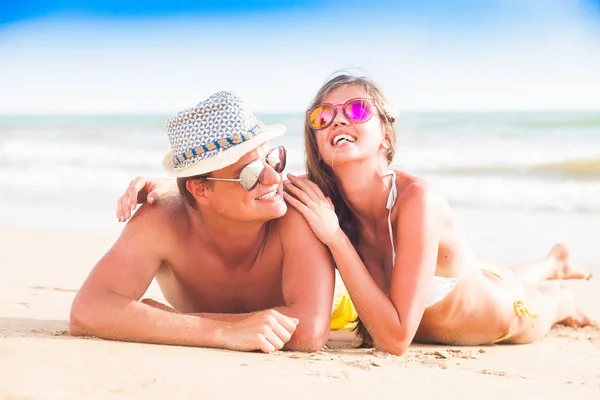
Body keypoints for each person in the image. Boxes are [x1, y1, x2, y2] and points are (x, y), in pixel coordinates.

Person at [116, 75, 595, 356]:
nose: (339, 120)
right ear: (318, 144)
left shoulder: (417, 201)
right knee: (497, 271)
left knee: (541, 300)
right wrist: (170, 190)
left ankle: (557, 284)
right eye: (323, 116)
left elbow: (394, 340)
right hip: (461, 279)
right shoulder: (318, 194)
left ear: (385, 134)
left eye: (357, 110)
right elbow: (242, 181)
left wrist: (337, 240)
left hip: (502, 315)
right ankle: (554, 258)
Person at [70, 91, 354, 354]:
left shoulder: (297, 210)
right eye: (250, 174)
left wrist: (174, 322)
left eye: (273, 159)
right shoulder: (163, 220)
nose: (273, 178)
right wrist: (222, 331)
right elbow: (88, 309)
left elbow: (309, 331)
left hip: (344, 309)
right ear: (200, 190)